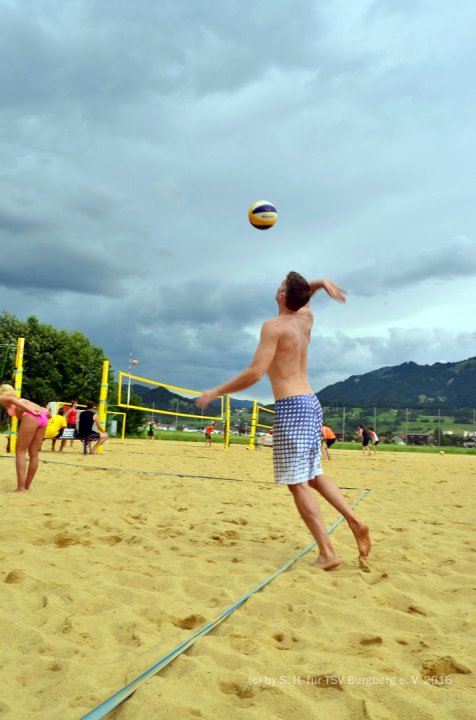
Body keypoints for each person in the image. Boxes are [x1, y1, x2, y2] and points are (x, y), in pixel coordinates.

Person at [196, 272, 371, 570]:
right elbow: (301, 298)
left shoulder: (273, 326)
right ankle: (355, 522)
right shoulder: (306, 319)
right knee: (314, 474)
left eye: (280, 287)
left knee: (296, 483)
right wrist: (320, 283)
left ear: (280, 296)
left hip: (291, 406)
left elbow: (254, 373)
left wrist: (217, 391)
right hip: (311, 402)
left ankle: (328, 552)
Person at [0, 383, 50, 492]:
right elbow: (42, 409)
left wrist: (29, 410)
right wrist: (45, 411)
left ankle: (21, 487)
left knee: (20, 452)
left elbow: (12, 401)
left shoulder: (4, 398)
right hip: (43, 417)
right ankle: (26, 486)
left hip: (32, 416)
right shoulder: (22, 399)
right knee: (34, 454)